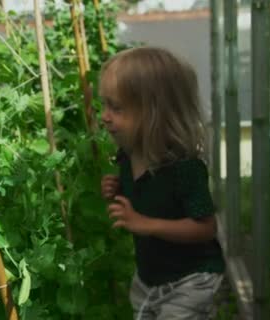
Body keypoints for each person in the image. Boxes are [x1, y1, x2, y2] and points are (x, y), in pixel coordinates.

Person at [99, 47, 225, 320]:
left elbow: (205, 227)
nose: (105, 116)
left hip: (191, 279)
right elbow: (149, 194)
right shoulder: (128, 155)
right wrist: (118, 188)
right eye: (104, 105)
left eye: (116, 108)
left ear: (154, 112)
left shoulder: (184, 168)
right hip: (149, 278)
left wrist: (145, 223)